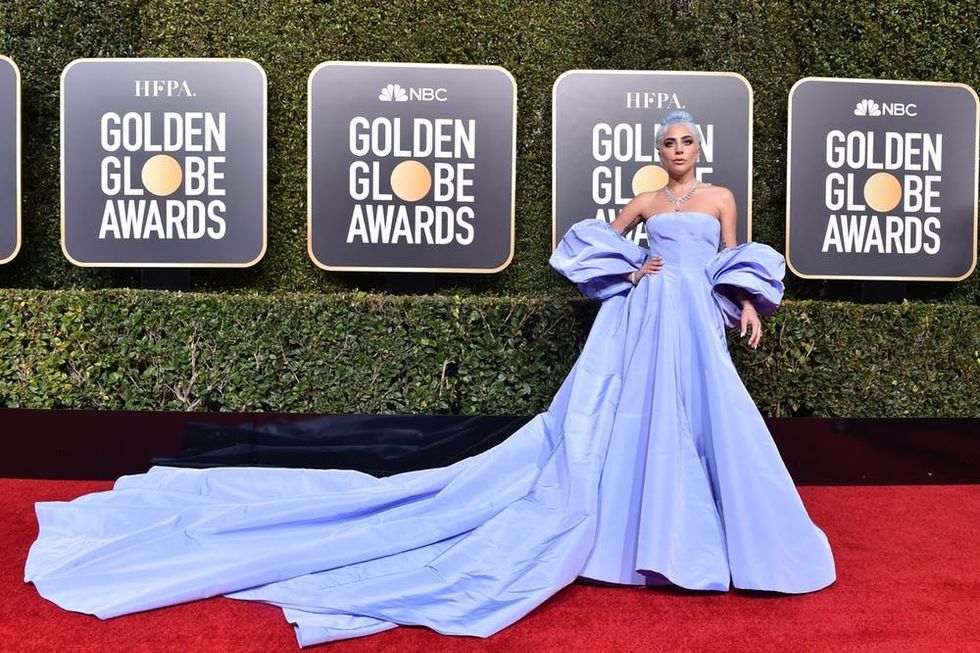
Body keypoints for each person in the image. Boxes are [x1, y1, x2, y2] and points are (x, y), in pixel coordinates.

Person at [25, 110, 835, 647]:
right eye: (667, 143)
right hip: (647, 316)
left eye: (685, 142)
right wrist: (637, 264)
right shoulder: (645, 196)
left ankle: (701, 541)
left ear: (703, 148)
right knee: (634, 427)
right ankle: (644, 539)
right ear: (657, 152)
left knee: (706, 421)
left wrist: (744, 302)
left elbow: (734, 259)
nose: (676, 152)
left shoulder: (725, 198)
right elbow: (588, 240)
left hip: (694, 321)